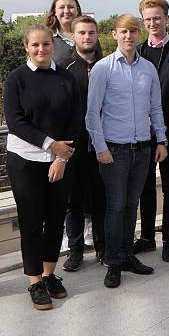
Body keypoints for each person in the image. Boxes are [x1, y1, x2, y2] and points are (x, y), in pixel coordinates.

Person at [3, 25, 82, 310]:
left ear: (53, 46)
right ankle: (34, 280)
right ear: (26, 47)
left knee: (56, 219)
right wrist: (51, 145)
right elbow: (15, 121)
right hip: (25, 161)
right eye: (35, 45)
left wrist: (61, 158)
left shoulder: (66, 77)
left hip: (60, 161)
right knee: (32, 222)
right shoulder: (16, 79)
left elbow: (75, 118)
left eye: (46, 45)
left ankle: (49, 275)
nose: (41, 50)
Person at [86, 14, 168, 289]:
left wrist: (162, 141)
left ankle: (127, 255)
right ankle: (113, 263)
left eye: (133, 31)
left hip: (142, 149)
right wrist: (100, 148)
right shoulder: (102, 68)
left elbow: (156, 108)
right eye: (124, 31)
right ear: (114, 34)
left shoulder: (148, 69)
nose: (129, 36)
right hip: (114, 151)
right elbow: (92, 114)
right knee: (115, 207)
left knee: (131, 206)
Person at [135, 0, 169, 262]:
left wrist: (168, 136)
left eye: (157, 17)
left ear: (166, 19)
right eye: (148, 19)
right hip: (141, 134)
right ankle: (146, 238)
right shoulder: (136, 53)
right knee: (144, 186)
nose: (153, 23)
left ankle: (167, 239)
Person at [60, 16, 107, 271]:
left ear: (97, 35)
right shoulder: (63, 67)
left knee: (101, 199)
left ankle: (102, 248)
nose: (87, 37)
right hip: (74, 145)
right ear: (74, 36)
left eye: (91, 33)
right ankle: (75, 250)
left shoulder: (107, 65)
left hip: (102, 144)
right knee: (73, 201)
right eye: (82, 33)